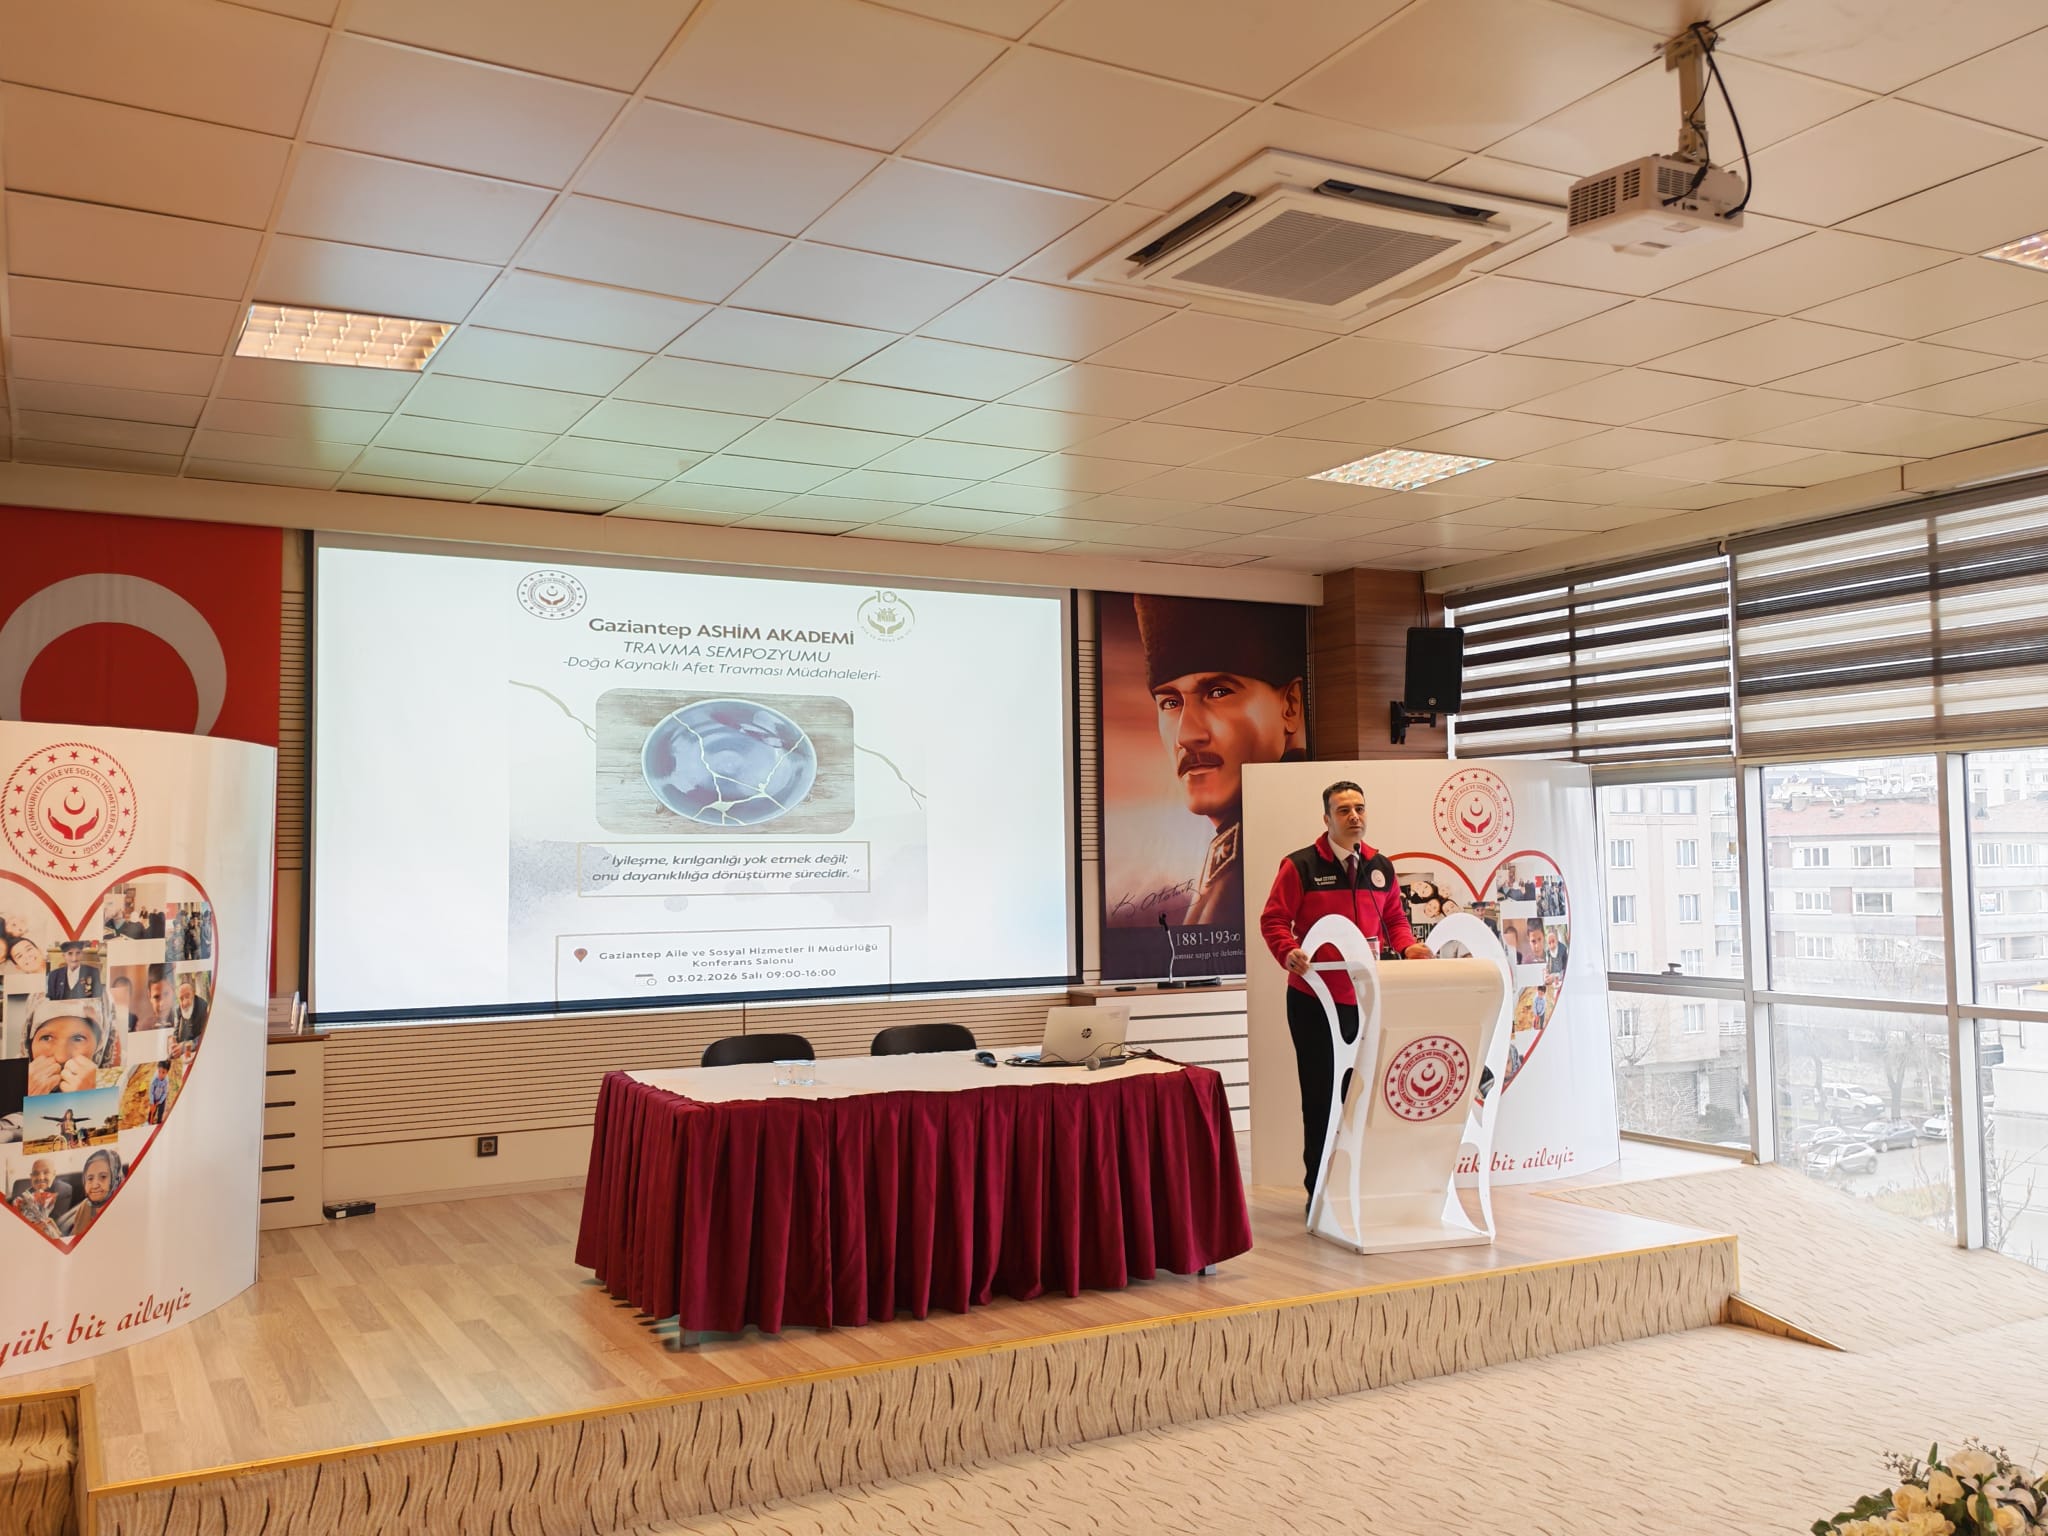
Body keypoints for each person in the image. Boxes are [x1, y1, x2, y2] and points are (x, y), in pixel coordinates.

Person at [1261, 781, 1433, 1204]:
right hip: (1314, 1001)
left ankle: (1358, 1187)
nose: (1354, 816)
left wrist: (1408, 946)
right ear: (1327, 819)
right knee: (1322, 1097)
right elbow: (1274, 920)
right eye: (1343, 810)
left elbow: (1394, 920)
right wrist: (1288, 951)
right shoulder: (1300, 865)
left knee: (1363, 1096)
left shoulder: (1380, 867)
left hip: (1367, 1000)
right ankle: (1319, 1195)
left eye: (1359, 808)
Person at [1134, 594, 1306, 932]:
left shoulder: (1282, 844)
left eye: (1218, 693)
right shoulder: (1233, 855)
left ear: (1290, 706)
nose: (1187, 735)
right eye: (1170, 702)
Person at [23, 997, 103, 1098]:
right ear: (29, 1044)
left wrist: (96, 1096)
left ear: (99, 1045)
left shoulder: (121, 1089)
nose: (61, 1057)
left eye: (78, 1039)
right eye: (47, 1038)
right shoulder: (8, 1083)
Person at [61, 1148, 121, 1238]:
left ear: (115, 1179)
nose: (94, 1185)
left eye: (103, 1177)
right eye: (90, 1178)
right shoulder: (85, 1206)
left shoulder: (122, 1209)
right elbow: (75, 1239)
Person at [11, 1157, 64, 1237]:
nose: (40, 1178)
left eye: (46, 1172)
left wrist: (57, 1233)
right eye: (35, 1173)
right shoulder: (21, 1200)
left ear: (54, 1175)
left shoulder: (64, 1194)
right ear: (31, 1177)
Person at [171, 974, 209, 1052]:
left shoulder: (203, 1007)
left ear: (193, 994)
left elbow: (205, 1035)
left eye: (187, 996)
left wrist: (185, 1046)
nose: (184, 1002)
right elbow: (176, 1031)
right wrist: (174, 1042)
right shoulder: (178, 1009)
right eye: (181, 998)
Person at [147, 1059, 171, 1125]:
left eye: (163, 1072)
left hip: (161, 1098)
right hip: (154, 1097)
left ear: (167, 1072)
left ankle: (159, 1121)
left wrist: (160, 1101)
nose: (160, 1074)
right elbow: (151, 1091)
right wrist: (152, 1102)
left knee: (161, 1111)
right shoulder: (154, 1079)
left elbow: (165, 1093)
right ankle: (149, 1121)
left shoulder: (166, 1081)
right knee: (152, 1110)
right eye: (159, 1071)